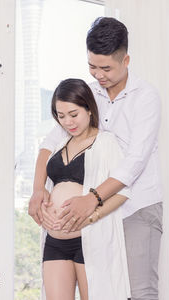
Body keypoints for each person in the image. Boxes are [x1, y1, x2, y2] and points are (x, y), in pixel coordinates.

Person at [29, 17, 163, 300]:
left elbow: (134, 163)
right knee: (105, 290)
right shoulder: (90, 94)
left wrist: (92, 198)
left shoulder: (146, 97)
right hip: (93, 215)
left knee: (139, 292)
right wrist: (38, 190)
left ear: (125, 60)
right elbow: (51, 142)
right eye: (92, 66)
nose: (98, 74)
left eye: (106, 68)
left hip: (135, 207)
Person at [40, 78, 131, 300]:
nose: (68, 122)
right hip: (55, 242)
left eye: (73, 114)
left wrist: (92, 216)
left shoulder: (106, 142)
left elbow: (122, 191)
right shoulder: (60, 144)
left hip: (89, 239)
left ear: (89, 109)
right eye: (61, 116)